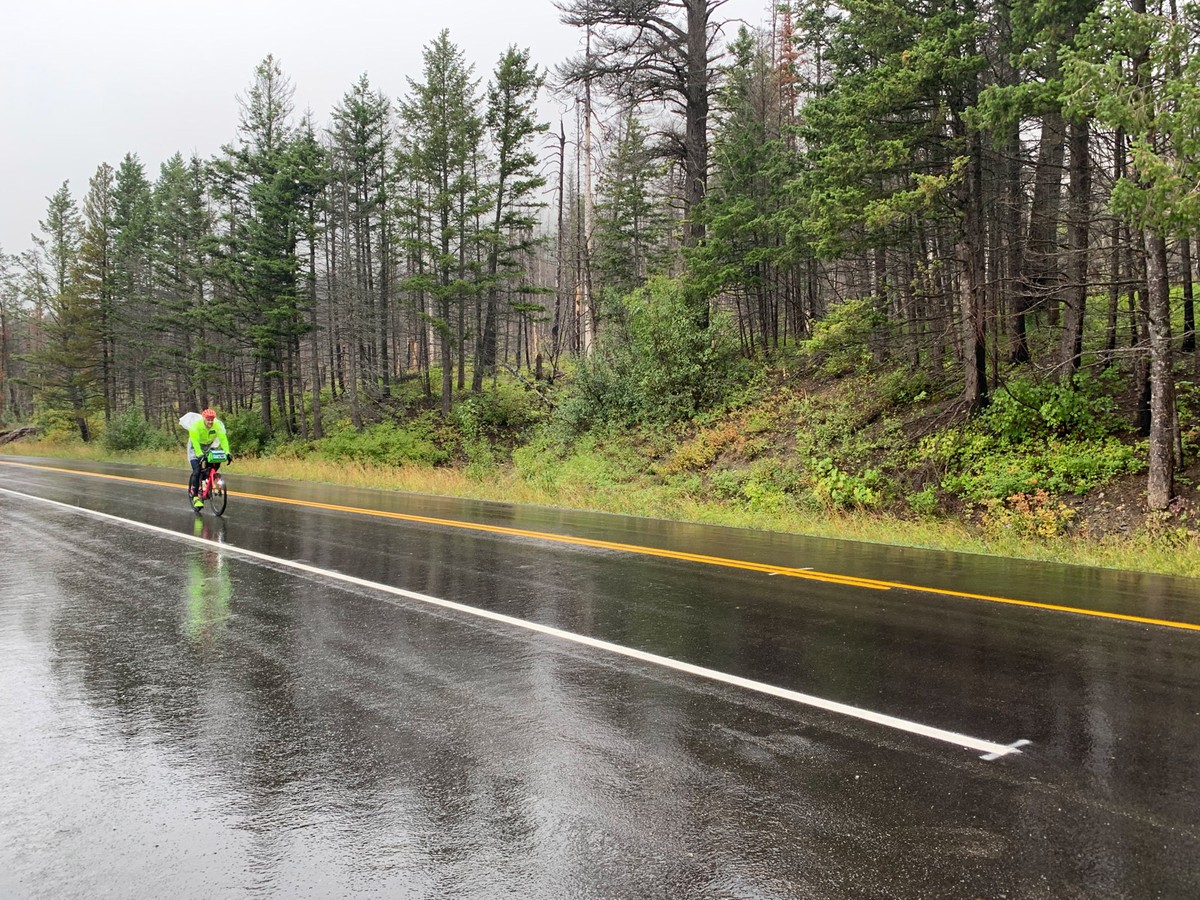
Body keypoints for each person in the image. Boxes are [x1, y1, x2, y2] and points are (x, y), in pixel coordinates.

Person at [186, 407, 232, 510]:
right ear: (204, 418)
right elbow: (195, 442)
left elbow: (223, 440)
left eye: (212, 419)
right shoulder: (195, 427)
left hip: (208, 446)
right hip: (194, 448)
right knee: (197, 471)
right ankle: (195, 496)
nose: (210, 422)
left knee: (216, 463)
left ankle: (208, 480)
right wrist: (199, 454)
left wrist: (227, 453)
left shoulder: (217, 425)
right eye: (208, 419)